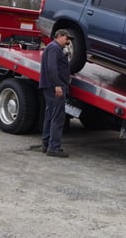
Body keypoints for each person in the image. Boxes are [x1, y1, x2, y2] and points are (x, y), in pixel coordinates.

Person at [39, 29, 73, 158]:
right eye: (66, 38)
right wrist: (57, 85)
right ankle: (54, 147)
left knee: (50, 115)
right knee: (57, 117)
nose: (68, 41)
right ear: (59, 36)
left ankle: (46, 144)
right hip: (54, 87)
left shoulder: (53, 48)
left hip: (50, 86)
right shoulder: (54, 48)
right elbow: (52, 67)